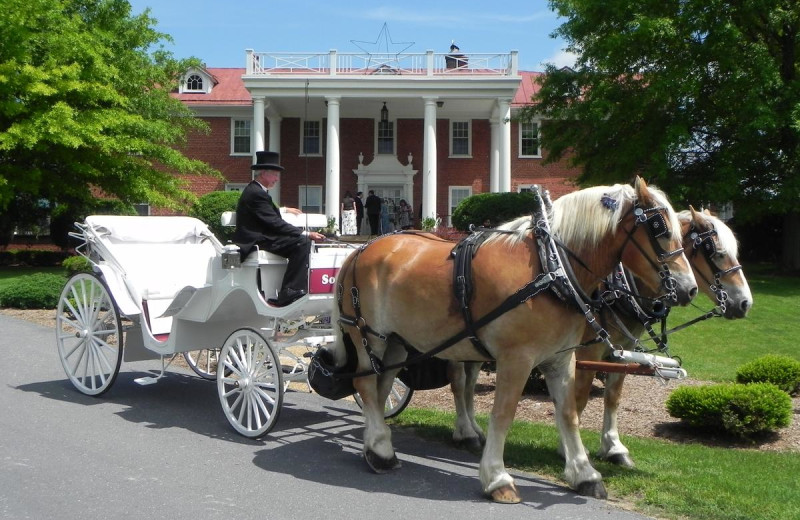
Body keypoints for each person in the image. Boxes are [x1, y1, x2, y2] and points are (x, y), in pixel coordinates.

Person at [233, 150, 325, 307]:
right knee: (302, 243)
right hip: (257, 240)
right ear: (263, 173)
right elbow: (275, 223)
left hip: (264, 236)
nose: (277, 178)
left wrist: (284, 210)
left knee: (303, 242)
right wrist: (306, 233)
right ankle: (290, 291)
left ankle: (297, 288)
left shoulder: (257, 191)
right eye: (274, 174)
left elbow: (268, 215)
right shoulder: (256, 193)